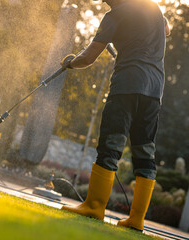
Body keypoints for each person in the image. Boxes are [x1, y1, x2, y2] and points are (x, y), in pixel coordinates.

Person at [60, 0, 170, 232]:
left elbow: (88, 57)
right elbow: (166, 28)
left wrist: (70, 63)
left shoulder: (114, 15)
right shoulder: (154, 8)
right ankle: (137, 219)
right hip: (154, 92)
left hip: (126, 86)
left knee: (110, 145)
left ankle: (94, 207)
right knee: (144, 151)